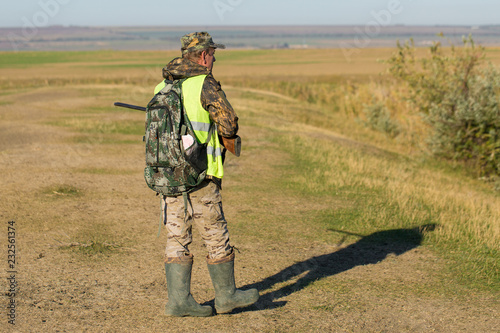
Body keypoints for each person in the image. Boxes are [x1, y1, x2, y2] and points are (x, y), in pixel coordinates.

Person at [155, 32, 259, 317]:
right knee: (215, 232)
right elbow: (228, 122)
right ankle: (226, 296)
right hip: (201, 174)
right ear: (203, 55)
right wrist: (226, 136)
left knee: (177, 235)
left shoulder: (162, 86)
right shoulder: (204, 83)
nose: (214, 59)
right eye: (213, 54)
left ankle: (179, 301)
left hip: (169, 176)